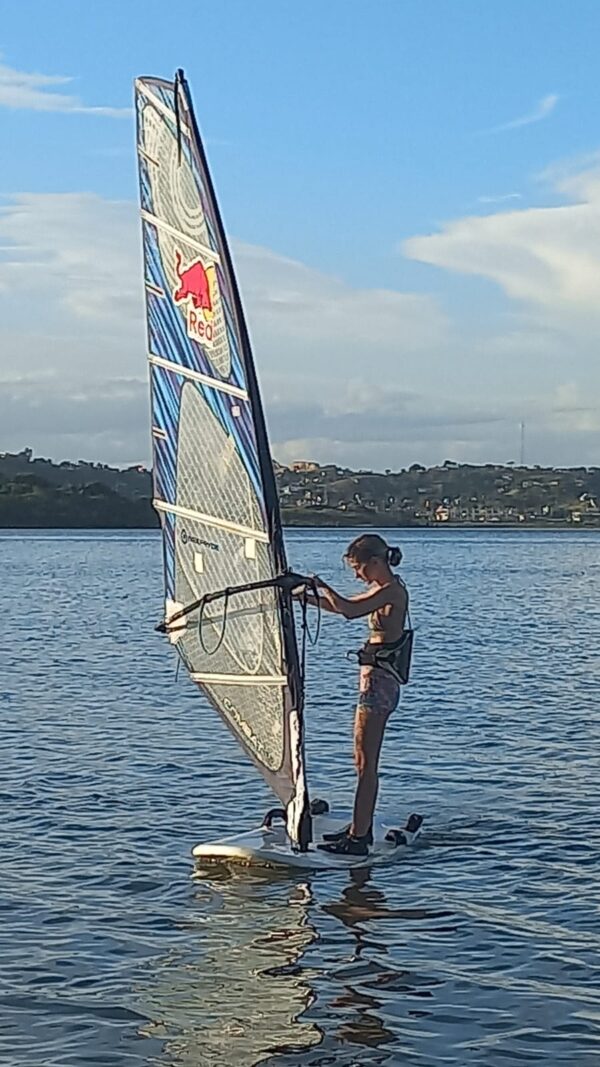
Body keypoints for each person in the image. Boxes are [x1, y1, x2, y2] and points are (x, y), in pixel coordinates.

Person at [299, 533, 410, 856]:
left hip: (381, 682)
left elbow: (348, 610)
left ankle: (360, 838)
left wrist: (319, 584)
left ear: (376, 562)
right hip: (373, 680)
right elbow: (344, 607)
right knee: (359, 759)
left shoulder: (392, 591)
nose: (356, 575)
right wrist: (303, 598)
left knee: (366, 763)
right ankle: (356, 827)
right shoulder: (379, 589)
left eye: (358, 568)